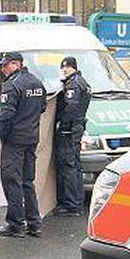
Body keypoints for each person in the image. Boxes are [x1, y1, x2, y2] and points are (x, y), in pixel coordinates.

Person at [0, 52, 47, 238]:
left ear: (16, 64)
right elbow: (42, 107)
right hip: (32, 138)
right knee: (27, 181)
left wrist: (4, 137)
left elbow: (6, 116)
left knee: (12, 180)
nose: (2, 69)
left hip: (14, 141)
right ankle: (34, 223)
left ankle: (15, 224)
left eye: (5, 65)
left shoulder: (11, 85)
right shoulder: (36, 82)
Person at [52, 57, 92, 216]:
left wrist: (62, 125)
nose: (64, 70)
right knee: (75, 166)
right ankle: (77, 202)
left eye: (67, 67)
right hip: (76, 128)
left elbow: (71, 107)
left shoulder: (74, 84)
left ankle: (71, 205)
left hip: (69, 130)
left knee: (68, 166)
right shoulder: (82, 82)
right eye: (63, 68)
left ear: (73, 67)